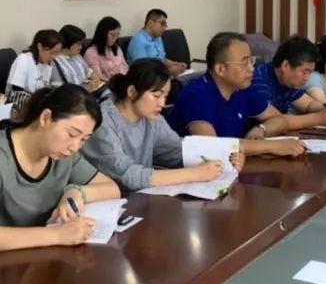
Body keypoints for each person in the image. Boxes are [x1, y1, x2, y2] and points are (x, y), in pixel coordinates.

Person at [0, 85, 121, 253]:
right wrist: (58, 235)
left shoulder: (62, 155)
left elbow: (112, 188)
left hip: (28, 254)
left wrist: (77, 192)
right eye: (72, 134)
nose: (75, 147)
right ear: (46, 118)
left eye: (84, 139)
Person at [83, 59, 245, 192]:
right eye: (156, 96)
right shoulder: (102, 122)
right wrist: (194, 174)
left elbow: (177, 152)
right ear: (132, 91)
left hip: (139, 200)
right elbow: (128, 176)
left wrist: (225, 158)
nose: (162, 103)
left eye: (165, 96)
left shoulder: (152, 118)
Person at [169, 32, 308, 157]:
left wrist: (261, 129)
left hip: (234, 165)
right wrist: (272, 147)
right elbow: (211, 147)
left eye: (251, 61)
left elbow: (280, 119)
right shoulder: (196, 95)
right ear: (221, 69)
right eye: (244, 63)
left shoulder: (242, 88)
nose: (252, 68)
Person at [251, 36, 326, 125]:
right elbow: (277, 120)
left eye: (310, 73)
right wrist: (319, 118)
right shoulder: (261, 82)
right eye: (305, 72)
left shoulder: (287, 80)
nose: (307, 78)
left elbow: (308, 105)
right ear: (286, 66)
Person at [126, 8, 188, 75]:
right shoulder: (138, 41)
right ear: (151, 23)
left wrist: (177, 64)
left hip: (161, 75)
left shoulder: (158, 37)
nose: (164, 28)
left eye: (165, 25)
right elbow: (144, 71)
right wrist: (169, 71)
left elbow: (162, 59)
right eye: (162, 24)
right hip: (147, 78)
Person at [6, 29, 62, 98]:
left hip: (36, 99)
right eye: (52, 52)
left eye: (57, 53)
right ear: (40, 46)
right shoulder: (24, 59)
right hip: (18, 100)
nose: (54, 57)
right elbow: (15, 92)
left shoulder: (49, 64)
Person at [52, 24, 104, 92]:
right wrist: (86, 89)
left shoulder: (78, 56)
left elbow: (90, 72)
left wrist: (95, 78)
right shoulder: (55, 63)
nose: (81, 47)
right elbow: (60, 90)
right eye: (78, 44)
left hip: (90, 91)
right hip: (75, 95)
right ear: (68, 43)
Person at [85, 16, 129, 82]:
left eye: (117, 34)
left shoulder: (116, 47)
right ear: (103, 33)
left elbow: (126, 66)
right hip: (111, 84)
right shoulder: (91, 53)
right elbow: (100, 79)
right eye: (112, 35)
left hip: (126, 80)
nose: (115, 38)